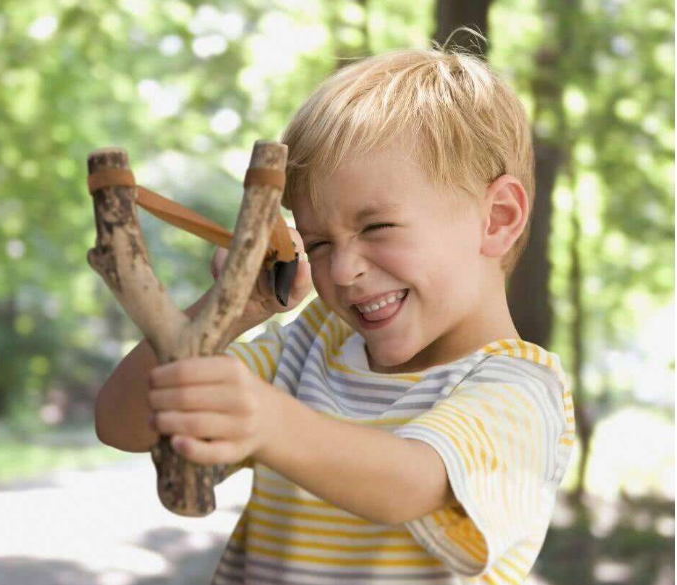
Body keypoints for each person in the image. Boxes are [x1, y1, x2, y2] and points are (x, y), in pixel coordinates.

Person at [95, 43, 575, 584]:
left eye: (376, 228)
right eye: (318, 242)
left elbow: (409, 483)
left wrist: (270, 421)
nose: (342, 270)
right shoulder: (311, 347)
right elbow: (122, 423)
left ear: (496, 219)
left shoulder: (521, 390)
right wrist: (234, 309)